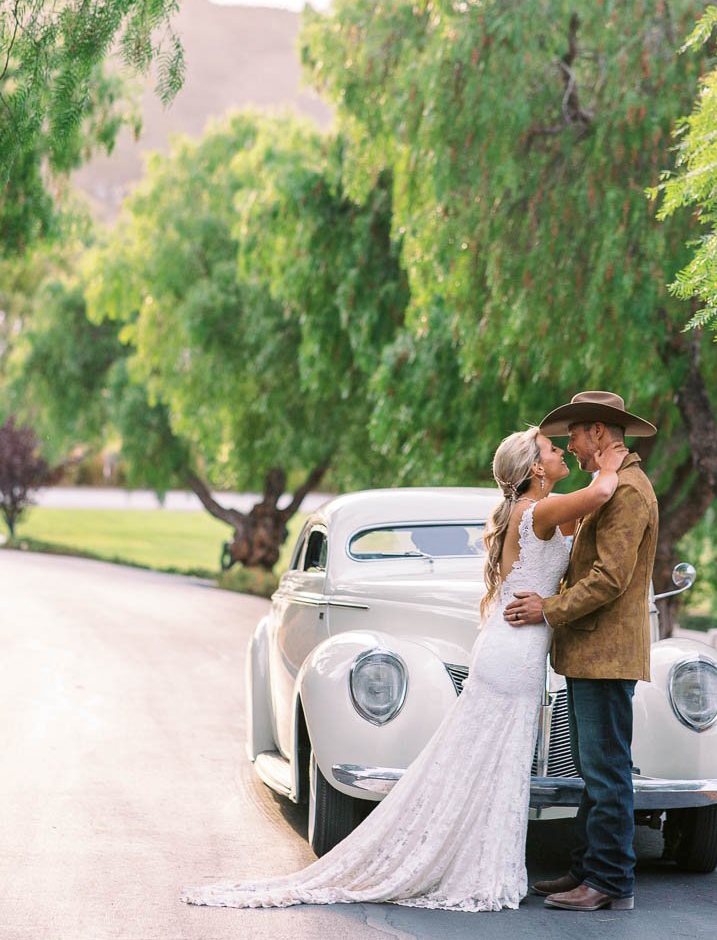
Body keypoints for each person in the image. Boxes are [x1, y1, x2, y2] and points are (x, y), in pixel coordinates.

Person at [182, 424, 627, 912]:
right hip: (513, 654)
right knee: (498, 762)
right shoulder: (535, 510)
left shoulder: (532, 512)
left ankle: (488, 861)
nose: (563, 450)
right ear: (535, 468)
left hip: (513, 649)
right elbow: (603, 490)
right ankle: (481, 865)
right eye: (551, 448)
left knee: (498, 763)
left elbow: (577, 532)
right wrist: (611, 454)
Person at [503, 390, 658, 913]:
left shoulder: (629, 491)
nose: (569, 444)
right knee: (595, 771)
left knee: (607, 770)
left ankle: (611, 882)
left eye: (574, 432)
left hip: (606, 653)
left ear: (598, 432)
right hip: (592, 651)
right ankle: (585, 868)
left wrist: (547, 607)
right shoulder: (607, 486)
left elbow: (609, 578)